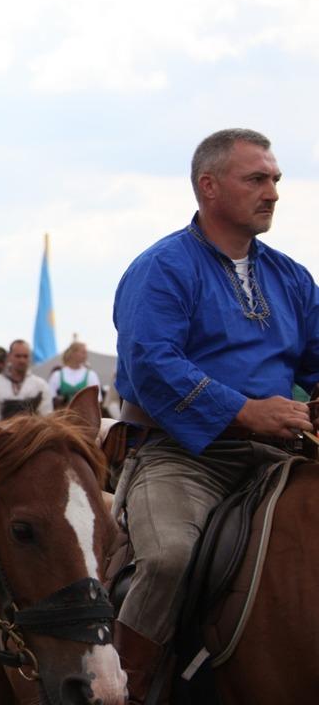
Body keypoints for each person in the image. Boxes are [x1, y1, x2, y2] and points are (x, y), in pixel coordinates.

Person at [111, 128, 319, 704]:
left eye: (275, 179)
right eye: (257, 179)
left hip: (283, 455)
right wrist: (245, 412)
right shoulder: (162, 268)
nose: (273, 192)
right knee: (169, 557)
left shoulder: (292, 277)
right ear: (209, 185)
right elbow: (151, 365)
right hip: (185, 456)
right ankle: (126, 687)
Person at [0, 339, 53, 421]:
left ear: (30, 358)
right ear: (9, 356)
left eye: (25, 356)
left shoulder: (41, 385)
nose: (22, 360)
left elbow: (47, 417)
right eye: (18, 356)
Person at [47, 340, 102, 409]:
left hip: (84, 417)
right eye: (83, 352)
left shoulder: (91, 375)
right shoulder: (57, 375)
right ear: (73, 353)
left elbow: (97, 400)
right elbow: (49, 398)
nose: (86, 355)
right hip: (62, 416)